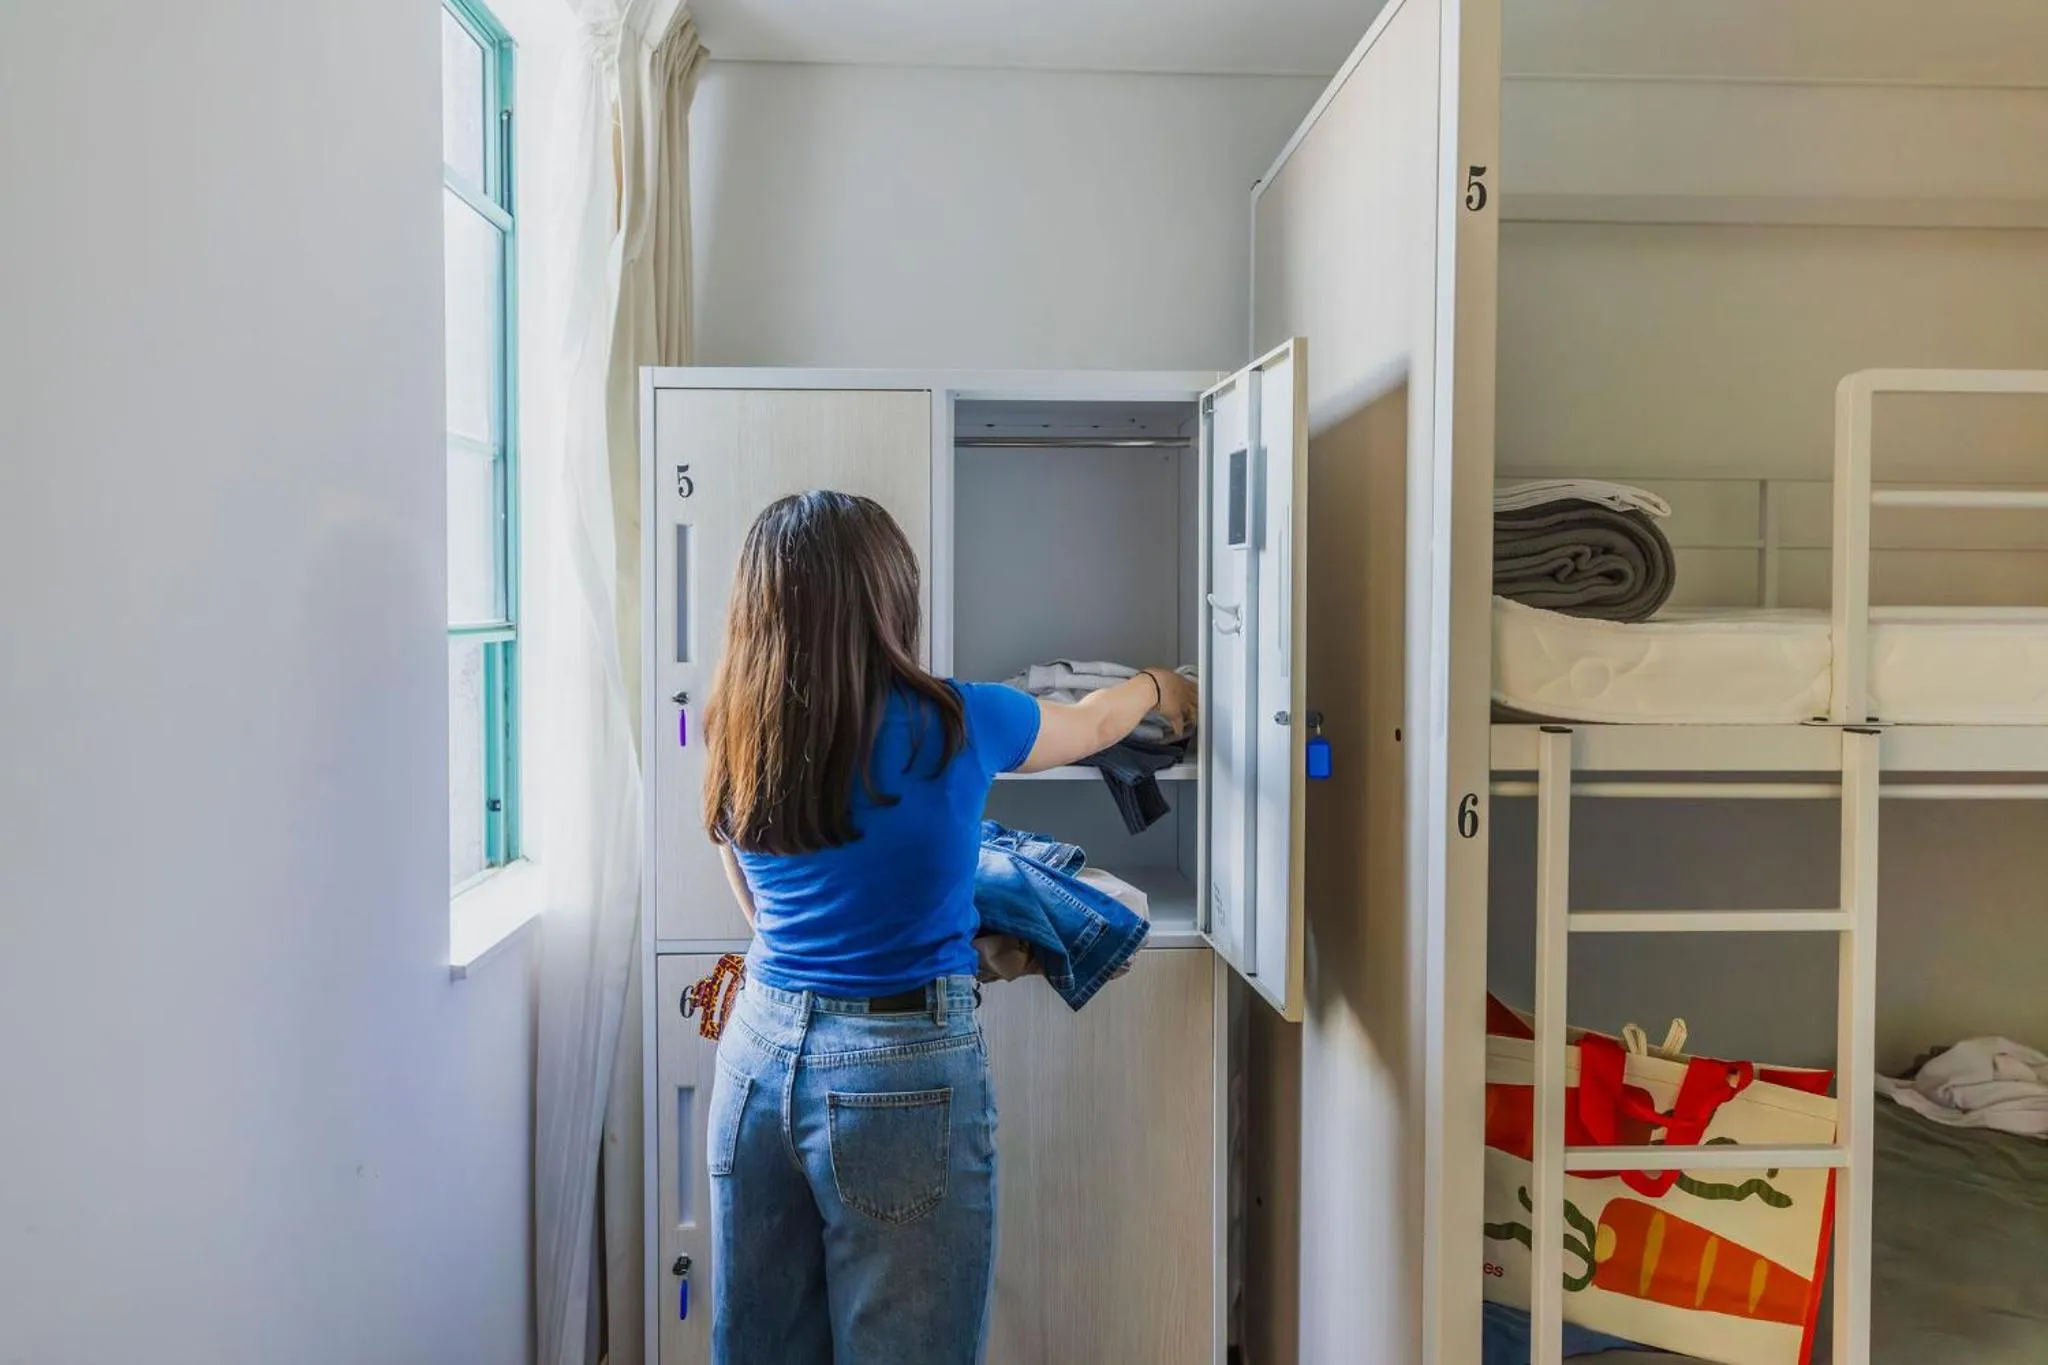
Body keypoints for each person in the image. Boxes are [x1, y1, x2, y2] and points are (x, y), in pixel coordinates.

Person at [698, 489, 1197, 1364]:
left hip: (755, 1054)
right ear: (892, 599)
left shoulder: (737, 725)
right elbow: (1095, 726)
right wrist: (1161, 684)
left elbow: (747, 886)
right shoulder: (962, 719)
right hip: (900, 1075)